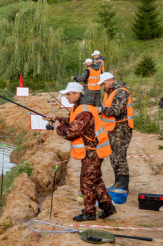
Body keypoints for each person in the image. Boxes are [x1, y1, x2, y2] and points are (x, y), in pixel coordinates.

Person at [44, 82, 116, 222]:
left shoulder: (85, 111)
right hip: (92, 150)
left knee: (87, 182)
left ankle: (89, 213)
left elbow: (72, 132)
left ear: (77, 94)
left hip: (93, 151)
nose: (66, 96)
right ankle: (108, 208)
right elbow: (73, 120)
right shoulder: (80, 107)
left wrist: (58, 127)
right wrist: (56, 118)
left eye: (69, 94)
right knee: (95, 180)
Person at [96, 72, 133, 193]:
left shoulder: (121, 91)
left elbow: (116, 110)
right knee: (113, 157)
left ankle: (123, 185)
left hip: (122, 129)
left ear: (111, 80)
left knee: (120, 157)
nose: (103, 86)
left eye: (104, 83)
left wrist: (100, 109)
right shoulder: (109, 92)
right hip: (112, 129)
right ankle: (117, 182)